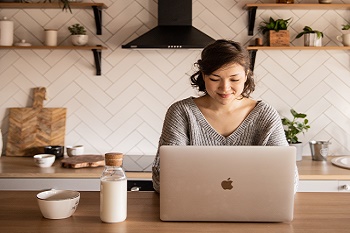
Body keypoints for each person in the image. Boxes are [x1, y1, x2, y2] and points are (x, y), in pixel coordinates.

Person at [152, 39, 298, 193]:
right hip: (194, 211)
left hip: (253, 209)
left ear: (246, 75)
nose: (225, 88)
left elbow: (288, 181)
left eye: (234, 79)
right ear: (203, 75)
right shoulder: (182, 112)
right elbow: (162, 180)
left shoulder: (264, 115)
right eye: (215, 79)